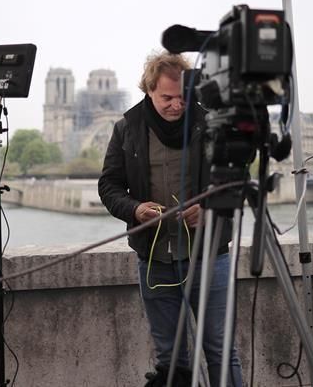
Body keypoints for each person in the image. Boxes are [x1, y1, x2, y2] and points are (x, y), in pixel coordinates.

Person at [98, 52, 242, 387]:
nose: (176, 105)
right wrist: (134, 209)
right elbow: (109, 185)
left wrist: (210, 209)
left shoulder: (213, 125)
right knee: (171, 358)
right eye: (167, 98)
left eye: (182, 97)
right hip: (155, 259)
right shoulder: (126, 129)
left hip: (210, 257)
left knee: (221, 351)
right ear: (148, 90)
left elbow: (236, 183)